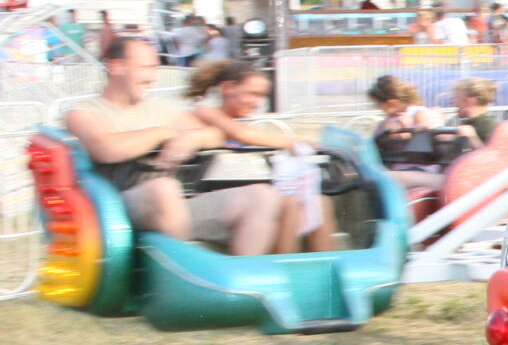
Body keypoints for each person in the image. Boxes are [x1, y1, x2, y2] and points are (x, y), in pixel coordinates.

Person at [62, 38, 285, 256]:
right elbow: (106, 148)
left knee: (262, 196)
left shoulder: (161, 109)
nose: (154, 77)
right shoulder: (83, 112)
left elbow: (216, 135)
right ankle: (191, 274)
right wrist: (162, 133)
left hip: (174, 202)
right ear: (117, 67)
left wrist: (192, 139)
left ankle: (245, 279)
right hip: (116, 208)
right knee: (164, 188)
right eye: (146, 68)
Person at [185, 59, 335, 251]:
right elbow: (241, 134)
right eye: (252, 94)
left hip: (247, 193)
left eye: (261, 96)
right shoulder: (206, 113)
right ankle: (283, 266)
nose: (257, 103)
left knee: (320, 203)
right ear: (228, 88)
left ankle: (325, 268)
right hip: (215, 197)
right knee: (288, 204)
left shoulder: (237, 123)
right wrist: (291, 143)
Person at [367, 75, 465, 191]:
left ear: (391, 103)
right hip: (401, 168)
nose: (378, 108)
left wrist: (406, 128)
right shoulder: (388, 121)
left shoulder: (417, 113)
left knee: (382, 179)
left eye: (378, 104)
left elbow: (421, 131)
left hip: (419, 167)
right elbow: (373, 144)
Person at [451, 77, 501, 145]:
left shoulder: (487, 125)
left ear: (470, 100)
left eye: (456, 97)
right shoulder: (472, 124)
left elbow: (493, 154)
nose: (453, 102)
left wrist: (472, 138)